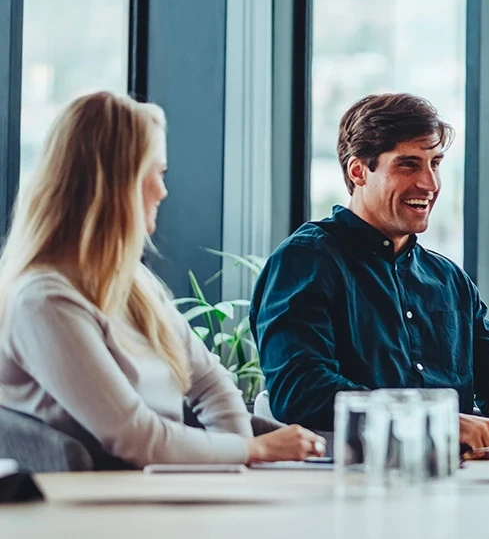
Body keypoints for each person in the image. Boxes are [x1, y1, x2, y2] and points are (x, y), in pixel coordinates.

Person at [0, 92, 324, 467]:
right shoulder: (44, 302)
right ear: (120, 183)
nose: (164, 190)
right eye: (158, 172)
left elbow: (210, 382)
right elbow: (135, 437)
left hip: (158, 491)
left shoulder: (133, 282)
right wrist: (254, 449)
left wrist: (237, 462)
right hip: (97, 512)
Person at [252, 93, 489, 459]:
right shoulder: (306, 260)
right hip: (348, 489)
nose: (430, 184)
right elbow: (301, 390)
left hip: (458, 487)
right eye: (408, 165)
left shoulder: (448, 279)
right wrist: (434, 420)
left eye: (435, 164)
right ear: (358, 171)